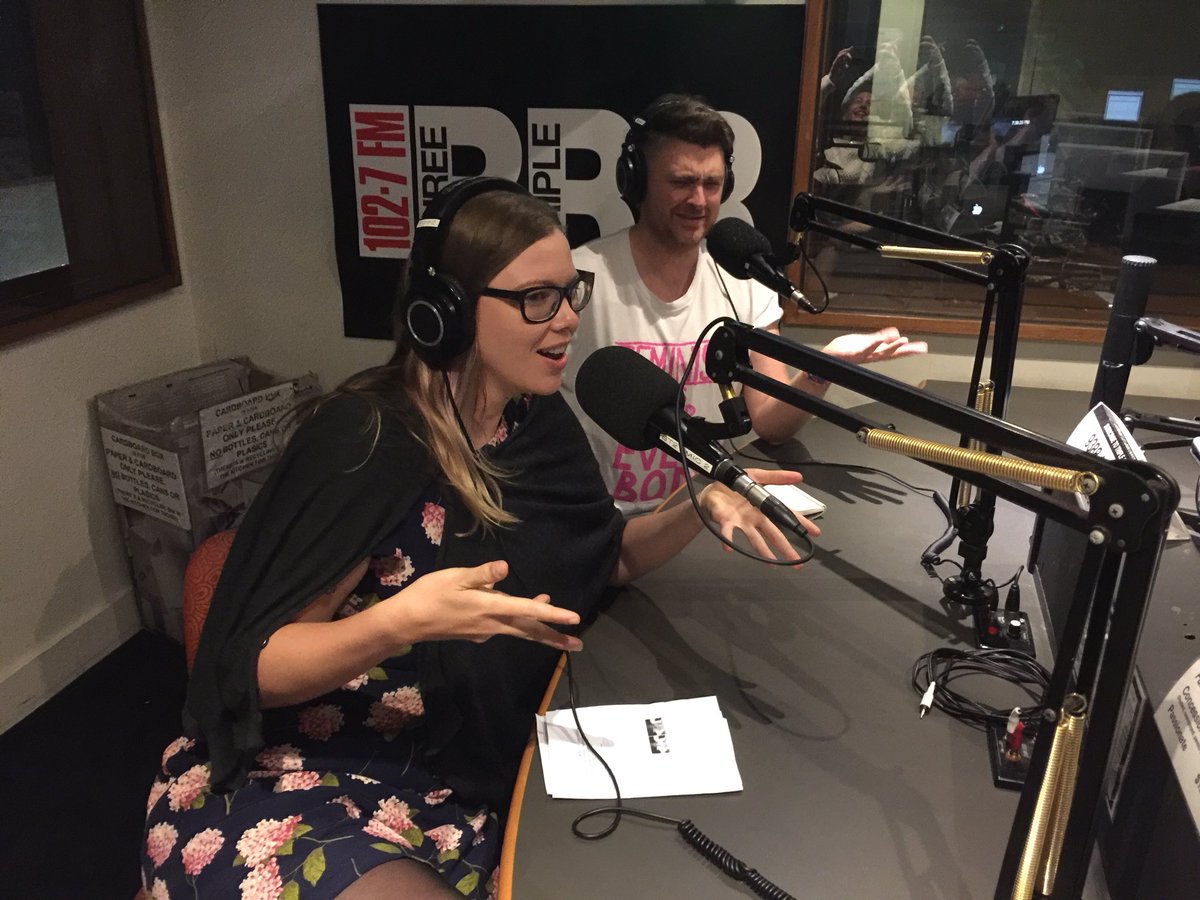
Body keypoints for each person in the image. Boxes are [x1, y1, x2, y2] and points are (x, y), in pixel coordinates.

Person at [140, 177, 812, 899]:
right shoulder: (365, 440)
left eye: (569, 292)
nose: (565, 322)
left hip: (459, 780)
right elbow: (258, 664)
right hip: (305, 772)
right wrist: (399, 620)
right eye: (535, 299)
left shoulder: (539, 423)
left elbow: (606, 554)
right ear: (448, 312)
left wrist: (697, 501)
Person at [563, 93, 928, 516]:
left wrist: (822, 367)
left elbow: (770, 424)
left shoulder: (745, 280)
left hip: (707, 516)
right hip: (605, 520)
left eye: (712, 184)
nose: (699, 200)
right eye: (681, 182)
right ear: (637, 180)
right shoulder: (577, 278)